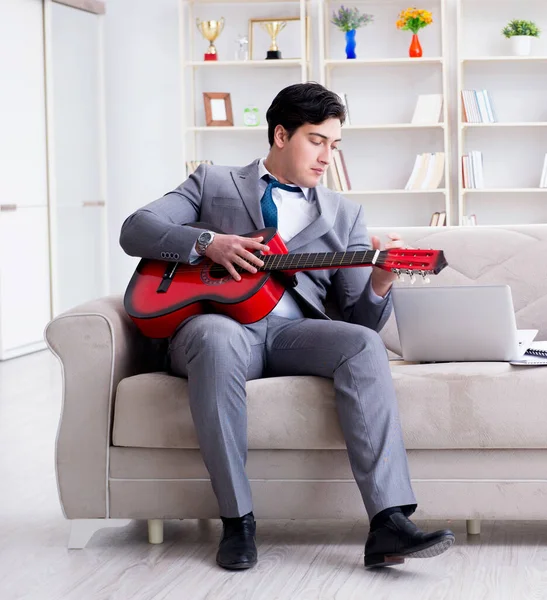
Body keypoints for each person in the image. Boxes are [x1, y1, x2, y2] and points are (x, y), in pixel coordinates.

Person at [119, 82, 455, 570]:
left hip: (294, 335)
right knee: (216, 337)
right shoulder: (213, 181)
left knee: (361, 344)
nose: (326, 157)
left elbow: (359, 317)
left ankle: (388, 521)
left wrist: (381, 281)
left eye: (334, 145)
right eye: (317, 140)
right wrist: (209, 243)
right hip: (219, 326)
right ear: (280, 134)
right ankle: (238, 521)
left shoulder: (345, 214)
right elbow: (136, 228)